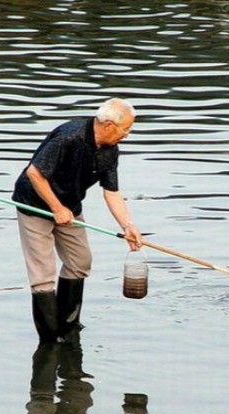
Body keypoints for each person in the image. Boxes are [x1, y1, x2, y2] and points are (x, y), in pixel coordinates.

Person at [12, 98, 142, 343]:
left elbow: (111, 191)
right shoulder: (68, 137)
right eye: (126, 129)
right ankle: (50, 338)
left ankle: (68, 325)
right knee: (43, 272)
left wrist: (128, 226)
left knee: (80, 261)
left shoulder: (110, 150)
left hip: (69, 205)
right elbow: (35, 173)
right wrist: (56, 208)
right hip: (34, 203)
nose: (128, 134)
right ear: (108, 125)